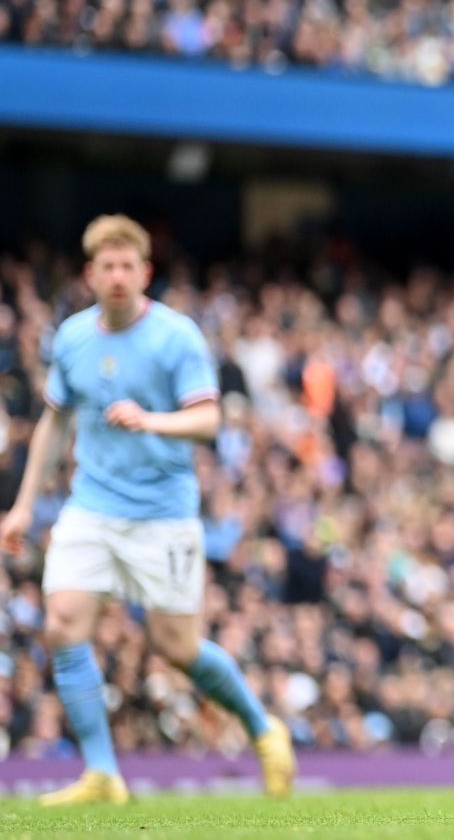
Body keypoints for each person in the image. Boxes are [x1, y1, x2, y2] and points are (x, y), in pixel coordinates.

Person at [0, 215, 295, 805]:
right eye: (105, 267)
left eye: (126, 267)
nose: (116, 276)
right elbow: (55, 423)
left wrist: (150, 419)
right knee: (62, 621)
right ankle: (104, 774)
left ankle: (265, 730)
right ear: (90, 274)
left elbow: (209, 419)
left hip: (163, 513)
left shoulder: (177, 336)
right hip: (92, 507)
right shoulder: (74, 338)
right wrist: (23, 506)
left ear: (145, 273)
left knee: (177, 648)